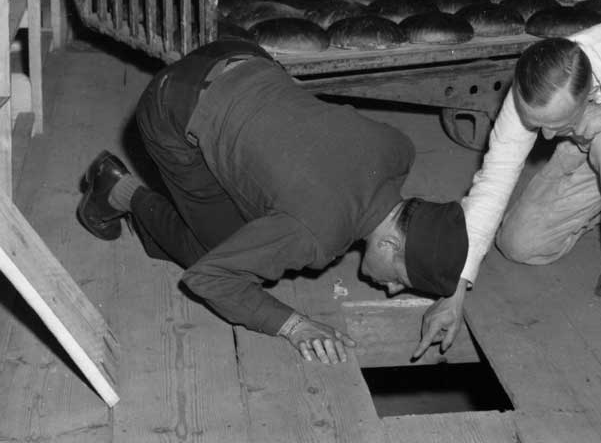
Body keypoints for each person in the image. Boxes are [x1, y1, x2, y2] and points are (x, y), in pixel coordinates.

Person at [77, 38, 468, 365]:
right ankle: (118, 190)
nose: (393, 290)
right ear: (389, 243)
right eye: (401, 279)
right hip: (169, 106)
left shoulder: (399, 150)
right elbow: (209, 280)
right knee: (216, 251)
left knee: (265, 194)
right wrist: (294, 325)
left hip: (238, 55)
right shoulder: (314, 235)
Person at [414, 21, 601, 359]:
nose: (545, 139)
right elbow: (493, 182)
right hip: (593, 145)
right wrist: (455, 288)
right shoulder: (536, 84)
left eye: (555, 127)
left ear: (589, 95)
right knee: (520, 244)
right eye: (537, 127)